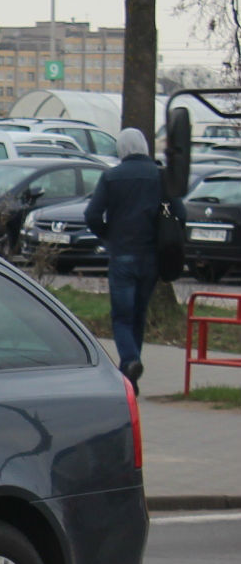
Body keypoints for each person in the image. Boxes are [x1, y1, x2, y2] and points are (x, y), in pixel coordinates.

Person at [84, 126, 164, 386]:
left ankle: (129, 361)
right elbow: (180, 214)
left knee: (121, 316)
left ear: (121, 148)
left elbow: (92, 215)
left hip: (122, 256)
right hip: (151, 256)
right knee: (139, 315)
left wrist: (108, 236)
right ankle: (131, 375)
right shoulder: (160, 176)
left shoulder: (112, 177)